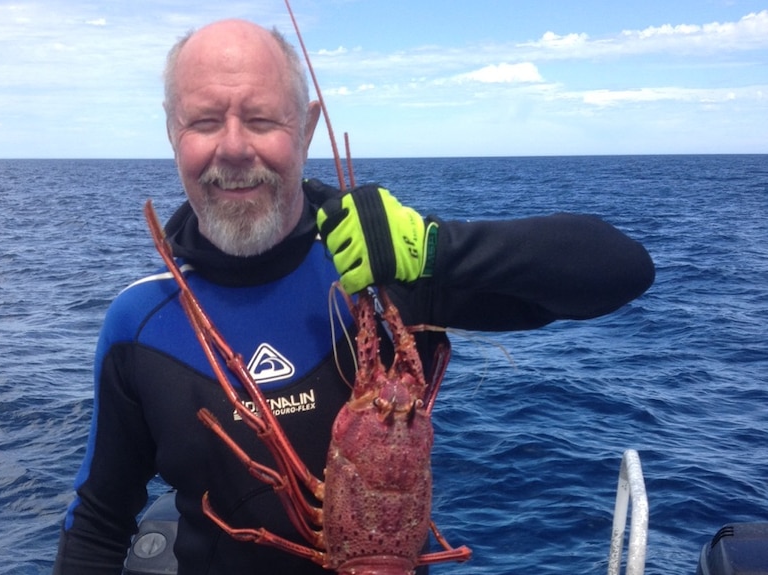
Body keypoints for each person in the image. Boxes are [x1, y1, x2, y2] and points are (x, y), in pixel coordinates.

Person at [53, 18, 654, 575]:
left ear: (308, 128)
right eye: (205, 121)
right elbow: (100, 523)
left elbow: (622, 271)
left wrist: (435, 249)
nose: (234, 148)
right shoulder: (140, 322)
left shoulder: (394, 275)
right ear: (172, 131)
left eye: (262, 119)